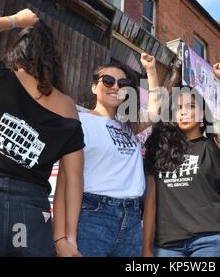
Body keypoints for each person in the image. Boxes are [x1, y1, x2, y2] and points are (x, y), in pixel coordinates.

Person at [0, 9, 84, 257]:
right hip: (31, 212)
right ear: (54, 61)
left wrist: (15, 21)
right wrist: (66, 239)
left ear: (17, 52)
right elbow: (73, 177)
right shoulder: (67, 107)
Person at [142, 62, 220, 257]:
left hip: (209, 241)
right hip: (167, 245)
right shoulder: (161, 150)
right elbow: (151, 201)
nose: (185, 111)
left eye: (191, 106)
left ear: (203, 113)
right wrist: (146, 247)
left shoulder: (214, 146)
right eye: (179, 108)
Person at [54, 53, 160, 257]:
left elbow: (155, 111)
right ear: (94, 87)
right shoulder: (78, 121)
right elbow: (64, 181)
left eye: (123, 83)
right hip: (92, 215)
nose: (115, 87)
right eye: (108, 81)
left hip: (131, 219)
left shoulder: (130, 126)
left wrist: (151, 70)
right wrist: (62, 238)